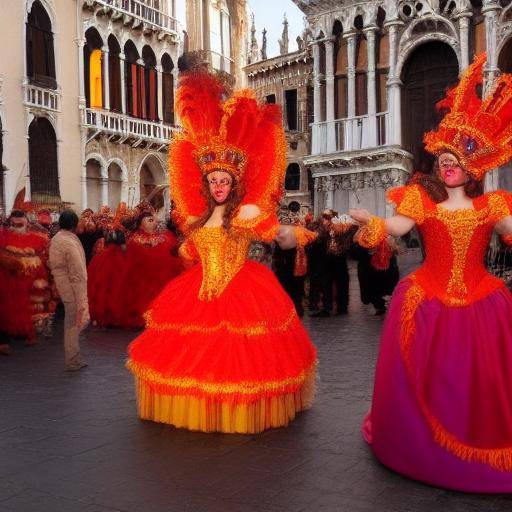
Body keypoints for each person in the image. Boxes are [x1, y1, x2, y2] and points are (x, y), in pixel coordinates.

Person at [350, 54, 512, 492]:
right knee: (428, 377)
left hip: (483, 302)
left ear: (472, 165)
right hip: (427, 297)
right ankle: (419, 444)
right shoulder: (420, 202)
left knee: (478, 383)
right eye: (441, 158)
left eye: (454, 157)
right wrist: (370, 221)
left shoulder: (492, 206)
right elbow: (397, 228)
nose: (446, 164)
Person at [126, 71, 317, 434]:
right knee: (191, 355)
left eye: (225, 181)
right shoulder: (197, 218)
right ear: (205, 182)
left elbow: (276, 234)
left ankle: (234, 410)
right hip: (196, 292)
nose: (218, 186)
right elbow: (188, 250)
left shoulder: (245, 214)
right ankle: (200, 407)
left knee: (238, 357)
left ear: (235, 183)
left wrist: (299, 234)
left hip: (242, 291)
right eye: (213, 180)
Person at [115, 201, 183, 328]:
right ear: (140, 224)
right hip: (140, 281)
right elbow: (130, 263)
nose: (153, 223)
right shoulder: (134, 240)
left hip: (158, 280)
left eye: (153, 220)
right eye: (149, 220)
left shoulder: (165, 239)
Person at [0, 210, 53, 349]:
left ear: (27, 224)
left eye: (20, 225)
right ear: (9, 224)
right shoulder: (3, 238)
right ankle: (5, 340)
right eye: (14, 225)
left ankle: (25, 334)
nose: (16, 228)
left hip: (28, 283)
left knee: (27, 308)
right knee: (6, 310)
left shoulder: (37, 239)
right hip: (7, 282)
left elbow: (43, 259)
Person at [49, 210, 89, 371]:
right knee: (73, 323)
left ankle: (74, 357)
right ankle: (72, 360)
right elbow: (78, 270)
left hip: (64, 285)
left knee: (72, 322)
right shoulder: (68, 242)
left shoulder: (58, 239)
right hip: (72, 287)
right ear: (74, 224)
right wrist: (81, 293)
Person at [311, 210, 356, 317]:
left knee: (342, 283)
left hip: (339, 261)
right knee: (326, 284)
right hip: (326, 261)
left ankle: (342, 307)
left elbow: (348, 241)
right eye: (324, 218)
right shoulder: (322, 230)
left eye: (327, 218)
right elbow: (317, 242)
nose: (324, 220)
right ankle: (327, 308)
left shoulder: (341, 228)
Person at [354, 237, 400, 315]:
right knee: (372, 285)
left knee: (385, 284)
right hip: (369, 262)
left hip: (385, 259)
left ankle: (381, 304)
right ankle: (379, 304)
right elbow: (356, 241)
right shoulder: (363, 232)